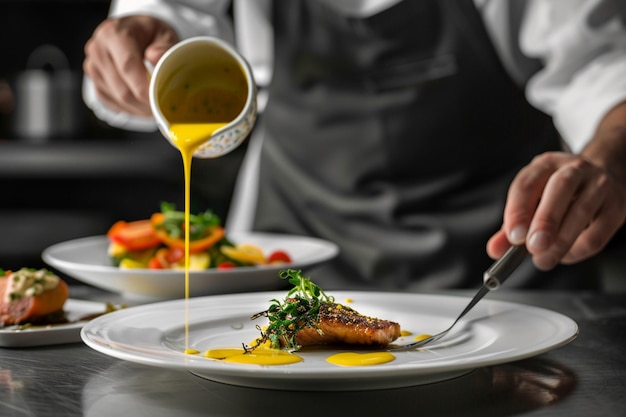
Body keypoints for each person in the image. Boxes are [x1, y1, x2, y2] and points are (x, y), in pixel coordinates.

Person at [83, 0, 626, 291]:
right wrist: (133, 46)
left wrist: (608, 156)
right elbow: (165, 18)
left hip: (498, 288)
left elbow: (606, 72)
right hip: (288, 290)